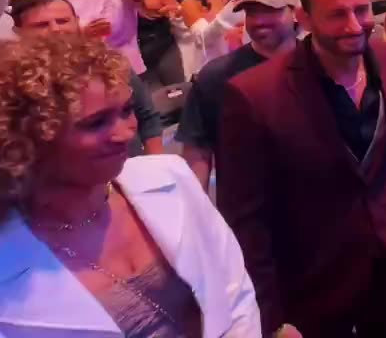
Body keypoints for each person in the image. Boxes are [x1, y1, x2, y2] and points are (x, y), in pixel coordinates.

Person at [218, 0, 386, 337]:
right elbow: (245, 218)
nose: (355, 25)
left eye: (362, 10)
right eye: (337, 15)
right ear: (304, 17)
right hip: (313, 285)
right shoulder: (254, 94)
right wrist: (269, 316)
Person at [0, 34, 260, 334]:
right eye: (96, 123)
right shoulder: (10, 250)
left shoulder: (169, 175)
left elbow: (234, 291)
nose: (125, 133)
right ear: (29, 139)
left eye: (126, 110)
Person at [10, 0, 165, 157]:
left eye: (63, 21)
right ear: (18, 31)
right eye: (41, 25)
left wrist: (155, 163)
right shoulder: (12, 82)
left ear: (76, 22)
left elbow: (147, 116)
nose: (56, 29)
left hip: (130, 168)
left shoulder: (109, 63)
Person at [177, 0, 296, 190]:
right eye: (252, 13)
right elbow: (197, 148)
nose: (259, 21)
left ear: (295, 13)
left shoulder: (320, 63)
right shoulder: (216, 75)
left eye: (270, 11)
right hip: (247, 207)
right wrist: (198, 208)